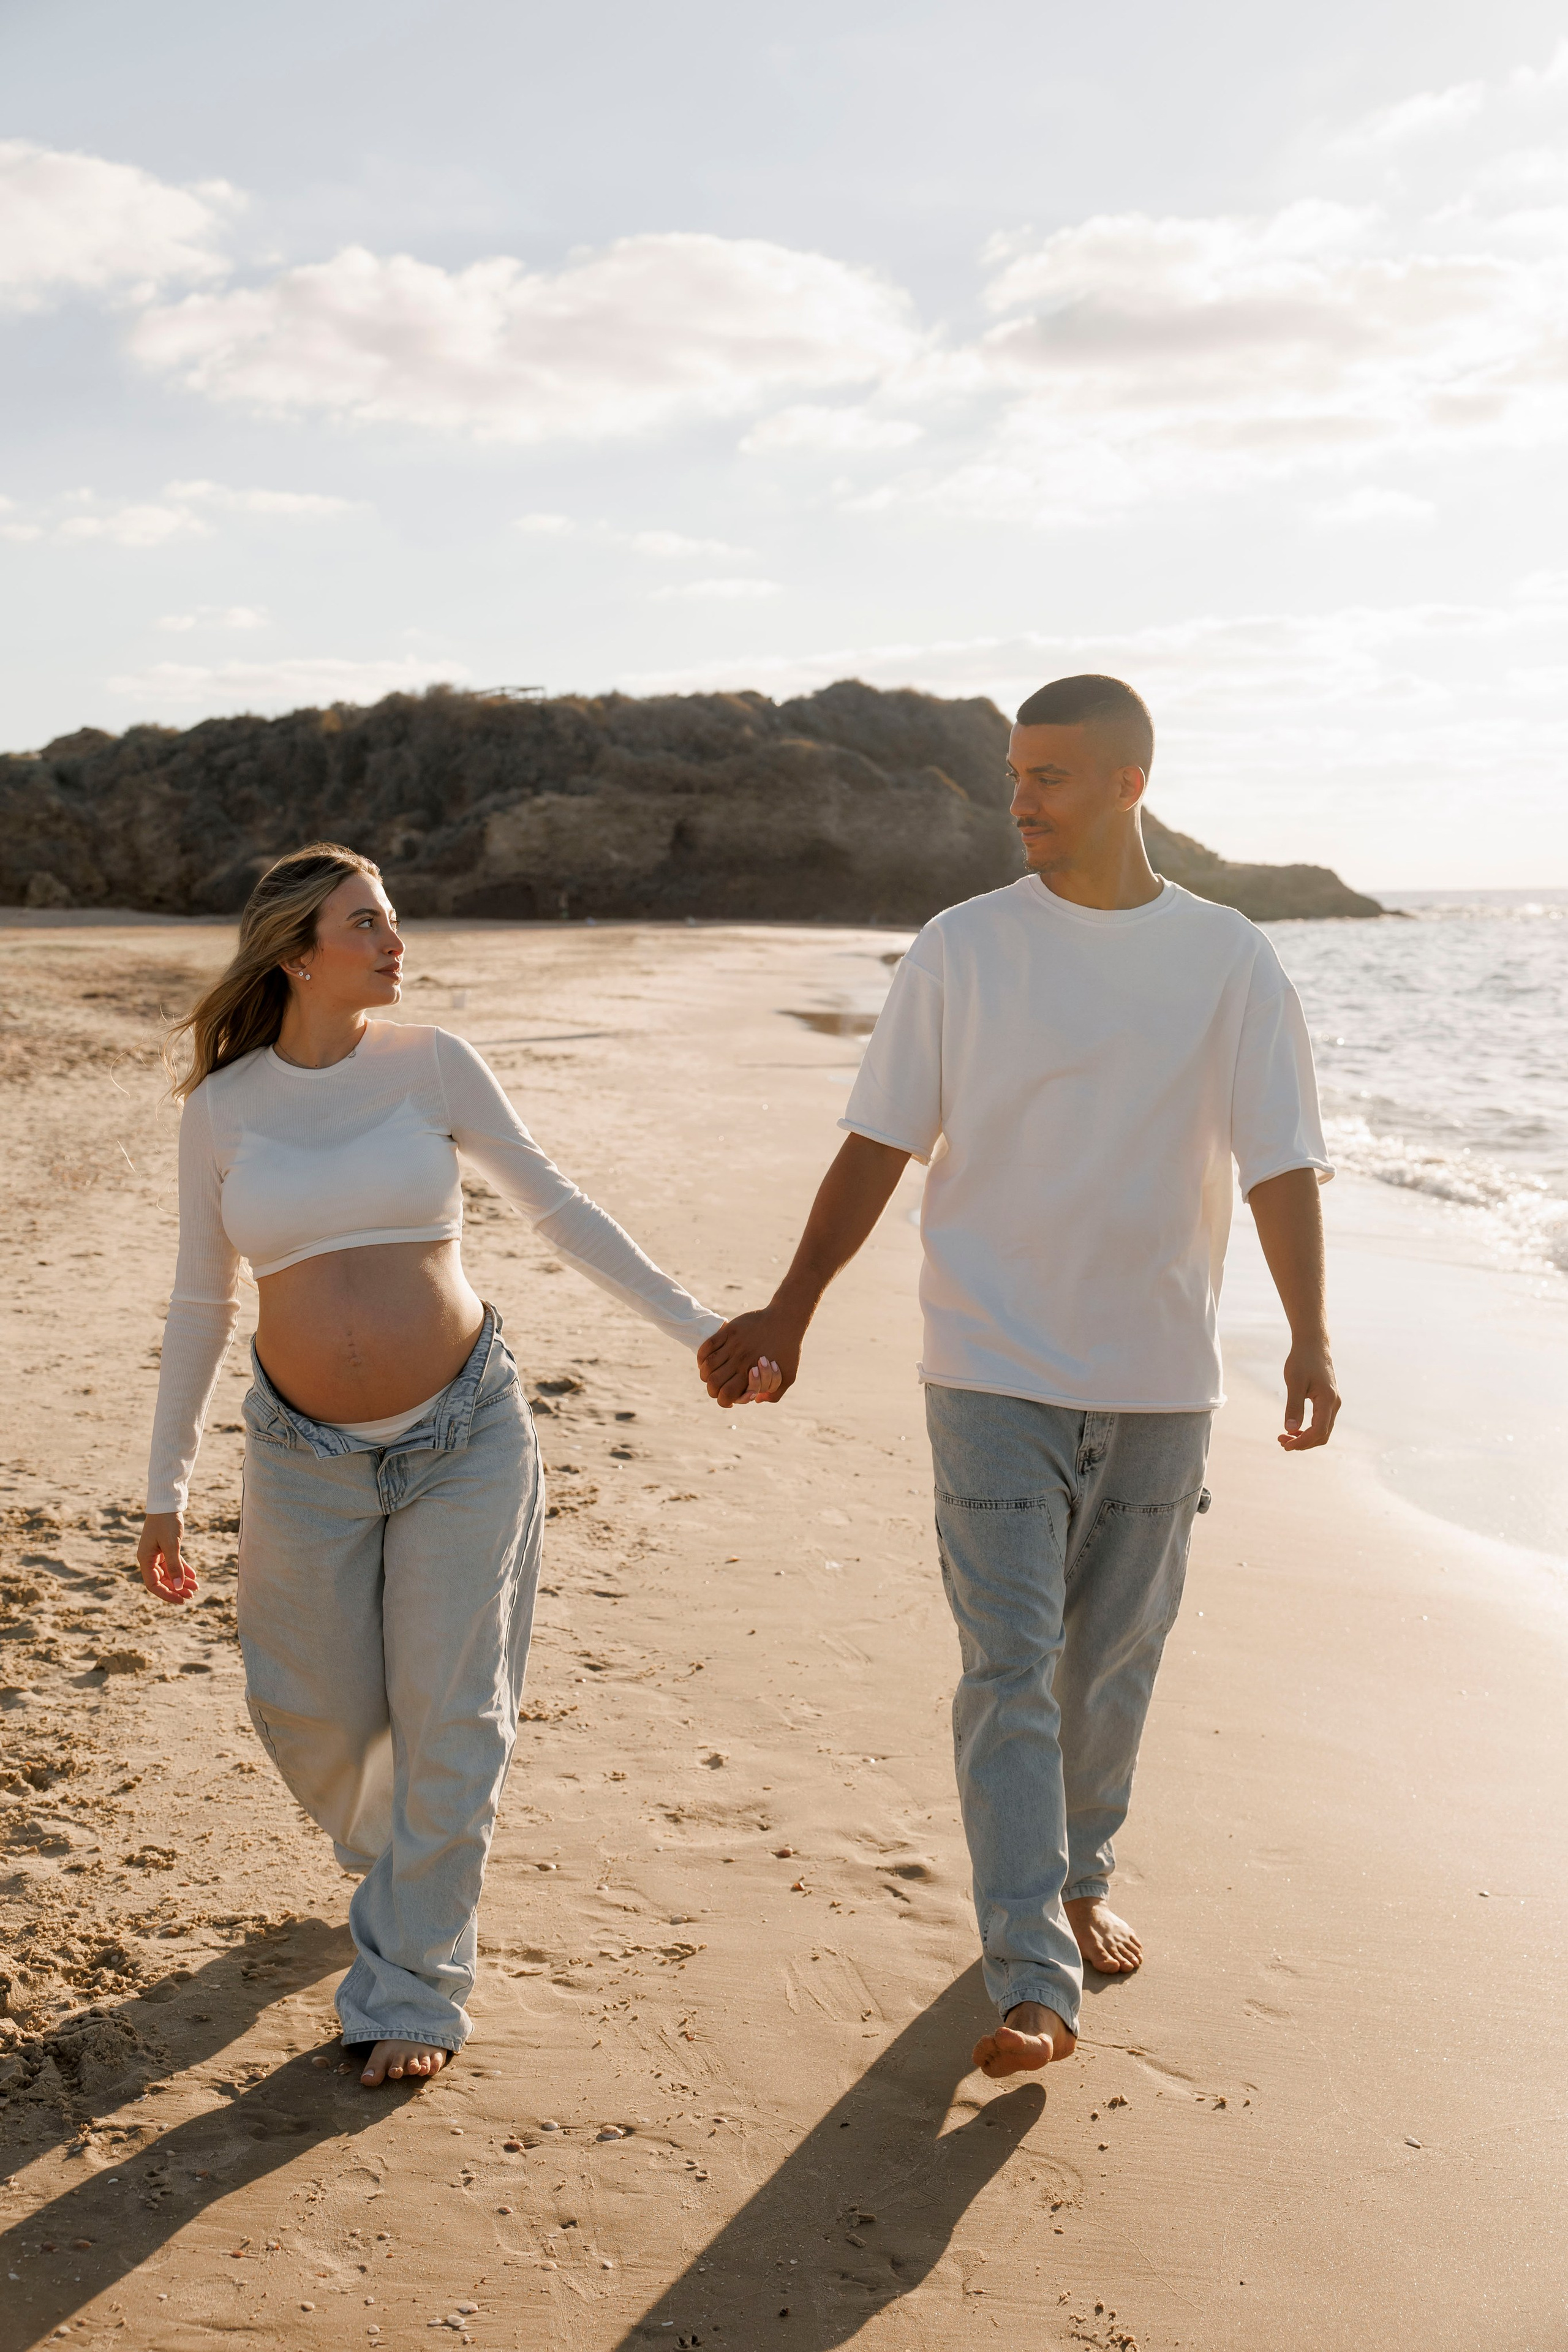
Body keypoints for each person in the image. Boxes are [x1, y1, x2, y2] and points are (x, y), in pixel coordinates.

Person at [699, 675, 1339, 2081]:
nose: (1018, 801)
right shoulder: (961, 947)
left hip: (1163, 1374)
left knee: (1108, 1659)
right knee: (1007, 1669)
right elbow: (878, 1139)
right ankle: (1030, 1975)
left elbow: (1279, 1156)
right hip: (987, 1360)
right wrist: (790, 1307)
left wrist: (1307, 1333)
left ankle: (1081, 1869)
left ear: (1128, 781)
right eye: (1011, 774)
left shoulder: (1227, 956)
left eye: (1047, 775)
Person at [137, 842, 775, 2088]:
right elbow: (200, 1304)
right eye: (365, 923)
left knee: (452, 1713)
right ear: (296, 951)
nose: (394, 941)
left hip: (461, 1434)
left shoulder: (431, 1064)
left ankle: (411, 1987)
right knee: (305, 1709)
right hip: (300, 1452)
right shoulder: (221, 1110)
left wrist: (701, 1327)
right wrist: (165, 1490)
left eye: (391, 918)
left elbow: (557, 1208)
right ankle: (403, 1857)